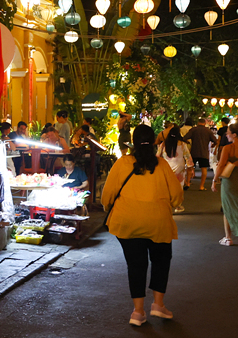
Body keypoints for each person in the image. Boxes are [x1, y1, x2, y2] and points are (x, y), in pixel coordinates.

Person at [102, 124, 183, 326]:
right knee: (161, 260)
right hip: (158, 222)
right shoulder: (162, 164)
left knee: (136, 265)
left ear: (133, 142)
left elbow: (107, 195)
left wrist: (107, 208)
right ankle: (158, 305)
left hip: (128, 221)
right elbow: (176, 197)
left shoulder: (122, 163)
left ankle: (138, 312)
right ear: (154, 140)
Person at [212, 120, 238, 249]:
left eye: (228, 133)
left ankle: (228, 237)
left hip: (230, 180)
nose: (226, 135)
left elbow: (220, 166)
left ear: (235, 134)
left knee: (228, 207)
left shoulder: (228, 148)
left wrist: (214, 180)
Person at [159, 127, 193, 213]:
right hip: (179, 169)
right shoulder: (182, 144)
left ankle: (167, 205)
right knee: (179, 187)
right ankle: (178, 206)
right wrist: (190, 168)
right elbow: (188, 157)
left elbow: (157, 156)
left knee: (167, 187)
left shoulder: (164, 144)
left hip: (167, 168)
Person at [184, 118, 215, 190]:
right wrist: (213, 145)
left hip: (194, 152)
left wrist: (188, 143)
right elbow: (215, 141)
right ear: (204, 123)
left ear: (198, 123)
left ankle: (188, 183)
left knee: (190, 168)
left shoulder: (193, 130)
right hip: (204, 153)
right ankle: (201, 186)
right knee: (204, 169)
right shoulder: (208, 131)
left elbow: (184, 138)